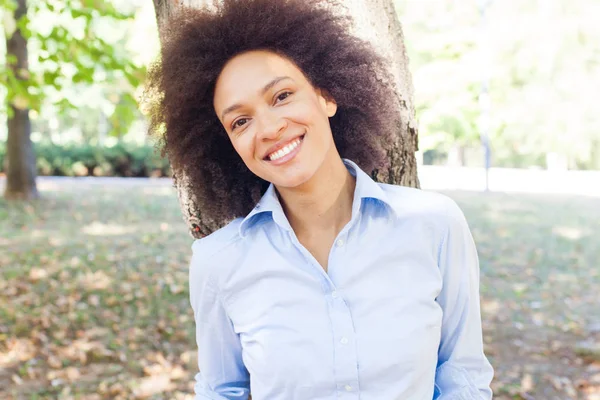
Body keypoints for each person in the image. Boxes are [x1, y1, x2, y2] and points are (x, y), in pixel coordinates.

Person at [147, 0, 494, 398]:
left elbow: (462, 376)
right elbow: (222, 390)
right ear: (229, 145)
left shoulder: (435, 225)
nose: (270, 128)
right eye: (240, 121)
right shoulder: (218, 262)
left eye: (281, 96)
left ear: (326, 96)